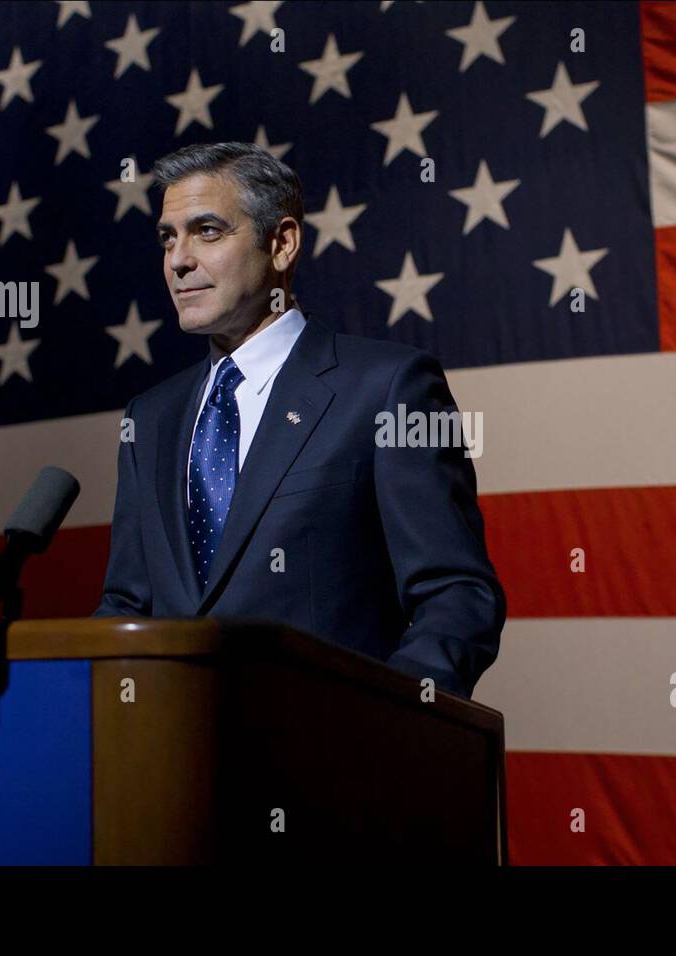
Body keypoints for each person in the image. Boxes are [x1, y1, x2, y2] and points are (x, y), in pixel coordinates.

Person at [95, 142, 505, 699]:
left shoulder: (387, 388)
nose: (178, 260)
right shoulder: (150, 418)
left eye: (207, 231)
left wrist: (384, 721)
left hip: (331, 763)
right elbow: (127, 604)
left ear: (282, 244)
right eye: (168, 237)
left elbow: (456, 595)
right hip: (175, 764)